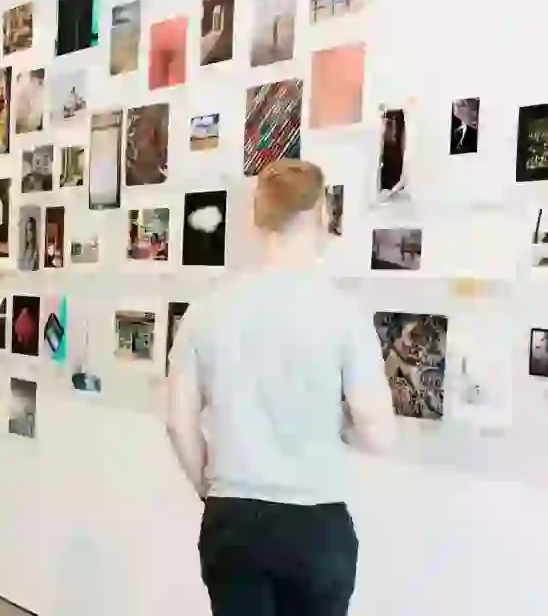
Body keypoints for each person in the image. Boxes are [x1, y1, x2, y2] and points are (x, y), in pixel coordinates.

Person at [165, 158, 397, 616]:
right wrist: (342, 422)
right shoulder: (343, 312)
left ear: (257, 217)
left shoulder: (207, 309)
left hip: (233, 517)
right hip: (315, 521)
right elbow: (379, 434)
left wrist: (210, 489)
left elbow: (178, 423)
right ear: (323, 216)